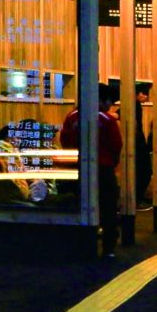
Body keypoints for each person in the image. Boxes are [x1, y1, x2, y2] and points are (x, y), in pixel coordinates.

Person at [57, 89, 127, 256]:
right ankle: (108, 247)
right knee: (107, 206)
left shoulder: (71, 117)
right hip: (103, 168)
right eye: (109, 101)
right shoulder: (106, 119)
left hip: (76, 167)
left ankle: (77, 243)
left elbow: (64, 140)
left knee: (76, 202)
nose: (110, 106)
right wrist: (112, 162)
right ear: (100, 100)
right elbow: (116, 144)